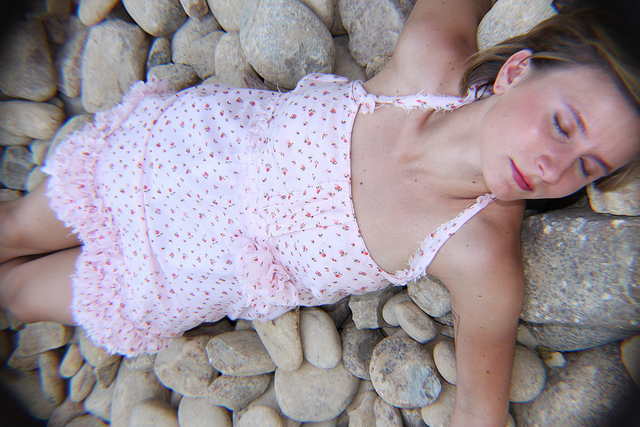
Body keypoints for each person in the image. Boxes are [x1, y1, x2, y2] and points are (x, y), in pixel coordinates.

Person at [1, 0, 639, 424]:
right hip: (171, 156)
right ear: (518, 71)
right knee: (11, 230)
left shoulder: (480, 255)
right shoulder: (430, 54)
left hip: (178, 273)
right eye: (563, 125)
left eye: (587, 166)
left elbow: (479, 411)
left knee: (19, 293)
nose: (554, 168)